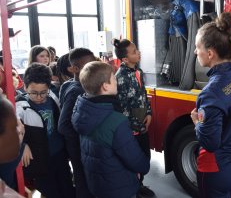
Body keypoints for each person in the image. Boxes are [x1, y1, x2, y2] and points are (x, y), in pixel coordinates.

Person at [190, 12, 231, 198]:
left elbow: (210, 143)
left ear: (210, 53)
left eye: (197, 47)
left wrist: (197, 123)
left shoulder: (211, 93)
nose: (195, 52)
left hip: (215, 168)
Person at [72, 61, 150, 198]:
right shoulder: (115, 121)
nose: (117, 82)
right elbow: (136, 161)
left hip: (97, 185)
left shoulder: (82, 111)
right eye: (114, 78)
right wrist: (145, 166)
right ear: (105, 86)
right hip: (119, 188)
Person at [16, 63, 75, 198]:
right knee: (49, 190)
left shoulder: (54, 98)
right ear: (25, 87)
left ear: (49, 87)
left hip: (59, 153)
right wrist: (23, 145)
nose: (39, 97)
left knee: (67, 187)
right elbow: (13, 128)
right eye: (34, 93)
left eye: (43, 92)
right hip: (40, 159)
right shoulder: (20, 106)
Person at [113, 39, 155, 198]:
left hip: (142, 126)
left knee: (144, 158)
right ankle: (134, 189)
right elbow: (121, 107)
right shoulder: (120, 77)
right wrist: (134, 127)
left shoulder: (139, 72)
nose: (138, 53)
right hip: (132, 130)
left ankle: (140, 184)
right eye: (134, 52)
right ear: (124, 59)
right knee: (133, 162)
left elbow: (144, 95)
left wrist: (149, 113)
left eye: (136, 50)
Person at [58, 48, 96, 198]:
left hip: (78, 146)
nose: (93, 68)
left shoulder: (68, 84)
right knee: (83, 181)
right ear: (74, 69)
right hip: (78, 147)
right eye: (88, 66)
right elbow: (63, 125)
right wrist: (84, 136)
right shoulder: (76, 90)